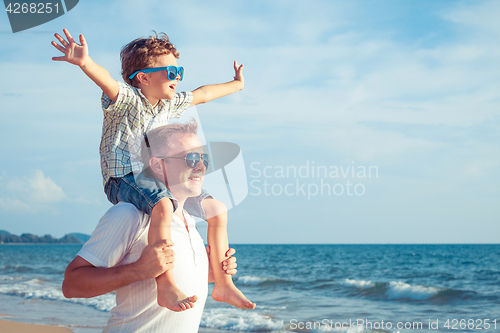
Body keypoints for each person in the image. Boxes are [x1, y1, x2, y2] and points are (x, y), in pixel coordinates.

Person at [51, 29, 254, 311]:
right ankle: (165, 284)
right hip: (123, 177)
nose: (178, 77)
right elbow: (108, 82)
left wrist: (237, 85)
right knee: (162, 206)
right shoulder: (126, 100)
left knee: (217, 208)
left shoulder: (169, 106)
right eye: (171, 71)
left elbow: (203, 94)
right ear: (144, 77)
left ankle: (223, 284)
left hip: (154, 179)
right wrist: (85, 63)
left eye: (180, 70)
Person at [62, 121, 244, 332]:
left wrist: (208, 274)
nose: (201, 166)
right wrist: (138, 271)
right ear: (158, 165)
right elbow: (71, 284)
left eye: (204, 159)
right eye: (191, 158)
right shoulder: (130, 214)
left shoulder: (190, 221)